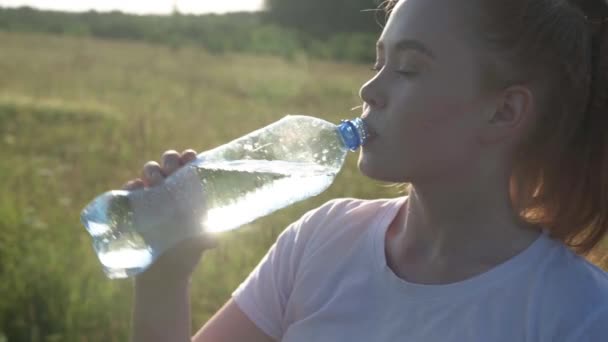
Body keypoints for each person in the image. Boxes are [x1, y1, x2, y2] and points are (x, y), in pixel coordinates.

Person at [123, 0, 608, 340]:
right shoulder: (322, 238)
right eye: (378, 62)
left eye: (408, 68)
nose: (369, 90)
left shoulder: (577, 313)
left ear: (503, 112)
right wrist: (164, 276)